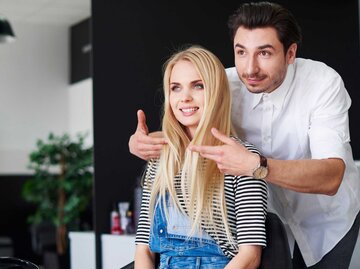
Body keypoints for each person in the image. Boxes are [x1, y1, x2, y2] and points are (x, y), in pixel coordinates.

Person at [129, 2, 360, 269]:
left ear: (290, 53)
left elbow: (331, 177)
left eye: (264, 53)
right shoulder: (224, 83)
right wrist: (141, 143)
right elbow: (188, 118)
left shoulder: (322, 84)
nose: (249, 69)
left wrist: (254, 166)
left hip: (324, 220)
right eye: (241, 52)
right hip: (264, 219)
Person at [134, 46, 268, 269]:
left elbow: (249, 256)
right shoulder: (160, 159)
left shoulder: (243, 159)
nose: (185, 97)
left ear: (216, 92)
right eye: (176, 88)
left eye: (198, 86)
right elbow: (143, 249)